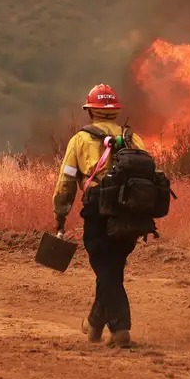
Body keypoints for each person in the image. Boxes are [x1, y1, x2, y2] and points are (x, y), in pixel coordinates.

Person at [53, 84, 147, 348]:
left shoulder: (80, 140)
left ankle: (121, 329)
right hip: (130, 214)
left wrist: (60, 215)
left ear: (90, 111)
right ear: (115, 111)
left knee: (105, 270)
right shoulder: (133, 139)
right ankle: (94, 325)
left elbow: (66, 182)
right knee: (112, 268)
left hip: (98, 211)